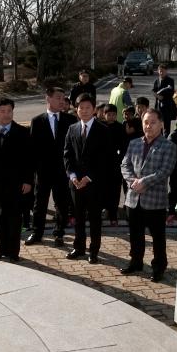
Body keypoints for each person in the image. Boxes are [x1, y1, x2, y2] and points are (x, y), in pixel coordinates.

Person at [120, 109, 177, 282]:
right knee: (135, 234)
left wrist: (144, 182)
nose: (148, 126)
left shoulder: (169, 146)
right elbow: (125, 165)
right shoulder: (134, 143)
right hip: (133, 199)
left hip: (155, 201)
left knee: (158, 237)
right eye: (146, 122)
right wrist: (133, 182)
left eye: (153, 122)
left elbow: (165, 170)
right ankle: (136, 261)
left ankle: (159, 267)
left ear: (161, 124)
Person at [0, 97, 34, 262]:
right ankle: (1, 249)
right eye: (2, 111)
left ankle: (13, 252)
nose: (6, 114)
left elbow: (29, 160)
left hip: (16, 184)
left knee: (14, 220)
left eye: (9, 111)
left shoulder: (23, 132)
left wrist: (28, 181)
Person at [63, 93, 111, 264]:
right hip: (75, 183)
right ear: (76, 110)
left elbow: (106, 159)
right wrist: (73, 175)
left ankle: (94, 250)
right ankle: (79, 247)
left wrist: (89, 177)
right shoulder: (72, 129)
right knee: (78, 217)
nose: (84, 111)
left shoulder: (103, 130)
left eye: (87, 107)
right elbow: (67, 155)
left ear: (94, 110)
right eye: (80, 108)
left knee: (95, 219)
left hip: (94, 183)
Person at [27, 87, 72, 247]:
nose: (62, 101)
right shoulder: (37, 121)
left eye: (63, 98)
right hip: (43, 171)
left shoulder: (70, 120)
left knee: (62, 204)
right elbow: (32, 149)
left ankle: (59, 233)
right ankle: (36, 233)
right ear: (48, 99)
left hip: (63, 171)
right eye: (58, 97)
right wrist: (31, 174)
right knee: (39, 204)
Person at [152, 64, 177, 133]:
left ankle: (166, 139)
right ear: (158, 71)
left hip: (167, 106)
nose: (161, 73)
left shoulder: (170, 80)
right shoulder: (156, 81)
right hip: (158, 106)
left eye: (163, 71)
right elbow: (154, 90)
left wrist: (162, 97)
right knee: (158, 124)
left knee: (166, 126)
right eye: (160, 71)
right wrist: (157, 96)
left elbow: (171, 92)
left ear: (166, 71)